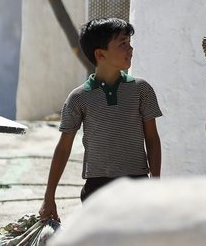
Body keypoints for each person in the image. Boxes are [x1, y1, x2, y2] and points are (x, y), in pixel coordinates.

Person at [39, 18, 162, 222]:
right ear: (100, 53)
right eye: (122, 43)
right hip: (97, 189)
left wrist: (156, 183)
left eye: (129, 43)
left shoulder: (141, 90)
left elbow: (152, 138)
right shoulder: (78, 98)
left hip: (137, 184)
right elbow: (63, 148)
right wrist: (49, 197)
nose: (130, 49)